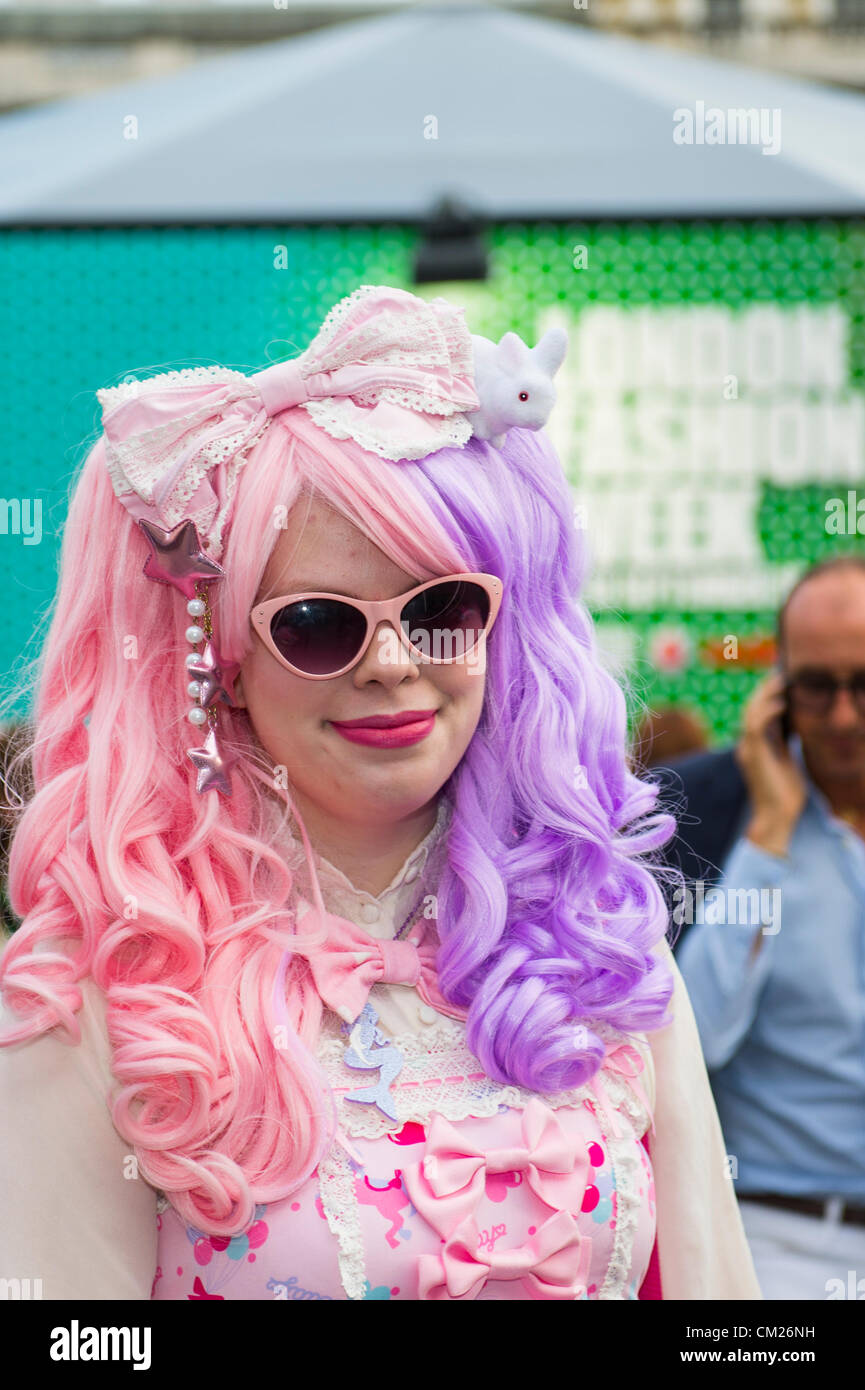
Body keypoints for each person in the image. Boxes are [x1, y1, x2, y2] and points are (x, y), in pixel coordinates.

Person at [0, 284, 760, 1301]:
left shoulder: (597, 937)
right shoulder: (108, 976)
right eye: (320, 623)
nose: (394, 663)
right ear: (225, 665)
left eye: (442, 608)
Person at [659, 556, 865, 1300]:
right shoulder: (709, 813)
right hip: (772, 1241)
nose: (842, 717)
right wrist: (769, 832)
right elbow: (691, 1043)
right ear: (777, 690)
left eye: (862, 685)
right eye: (817, 687)